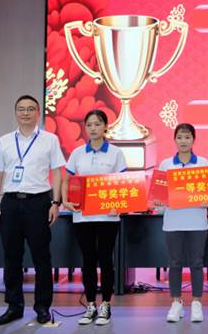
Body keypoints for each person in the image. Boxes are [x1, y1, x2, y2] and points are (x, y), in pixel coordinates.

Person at [0, 95, 66, 326]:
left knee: (42, 257)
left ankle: (42, 307)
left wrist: (56, 203)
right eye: (21, 109)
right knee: (11, 257)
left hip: (38, 203)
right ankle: (14, 307)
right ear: (15, 113)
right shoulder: (4, 141)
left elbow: (58, 172)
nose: (25, 113)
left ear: (38, 113)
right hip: (10, 203)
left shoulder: (50, 140)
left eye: (31, 109)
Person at [61, 109, 127, 326]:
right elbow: (67, 181)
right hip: (82, 216)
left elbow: (123, 184)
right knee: (88, 261)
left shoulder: (116, 153)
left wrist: (119, 206)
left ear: (105, 127)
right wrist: (65, 200)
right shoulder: (77, 153)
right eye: (89, 124)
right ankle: (90, 304)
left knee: (106, 260)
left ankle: (106, 304)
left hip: (108, 217)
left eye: (97, 124)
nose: (93, 128)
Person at [156, 123, 208, 323]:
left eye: (187, 137)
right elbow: (159, 194)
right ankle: (176, 302)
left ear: (193, 140)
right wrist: (159, 201)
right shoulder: (166, 164)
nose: (183, 141)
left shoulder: (203, 163)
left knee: (196, 263)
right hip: (173, 222)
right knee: (175, 263)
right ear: (174, 140)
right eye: (180, 137)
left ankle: (196, 303)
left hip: (197, 221)